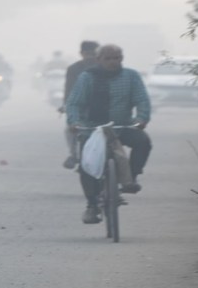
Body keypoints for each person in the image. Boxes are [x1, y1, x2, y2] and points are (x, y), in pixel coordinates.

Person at [66, 44, 152, 224]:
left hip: (122, 126)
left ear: (122, 59)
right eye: (108, 58)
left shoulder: (131, 76)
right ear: (99, 60)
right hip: (93, 129)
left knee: (143, 142)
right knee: (86, 165)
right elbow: (74, 103)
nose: (113, 62)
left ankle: (130, 178)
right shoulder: (87, 77)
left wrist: (141, 119)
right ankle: (92, 205)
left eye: (117, 58)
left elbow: (142, 100)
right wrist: (74, 122)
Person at [61, 40, 100, 169]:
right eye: (87, 53)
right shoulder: (73, 69)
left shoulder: (105, 67)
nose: (90, 57)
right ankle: (74, 155)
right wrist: (66, 105)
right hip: (80, 107)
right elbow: (69, 89)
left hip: (102, 107)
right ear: (81, 54)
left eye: (93, 54)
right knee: (70, 129)